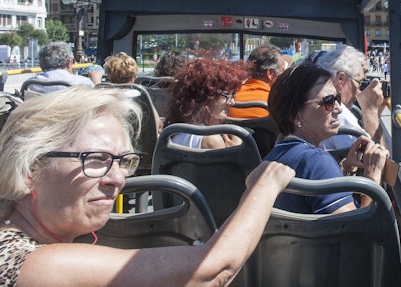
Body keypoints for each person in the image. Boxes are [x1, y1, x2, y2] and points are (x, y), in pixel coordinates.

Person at [0, 86, 294, 286]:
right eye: (97, 159)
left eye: (122, 161)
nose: (117, 178)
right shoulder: (36, 265)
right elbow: (211, 270)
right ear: (30, 169)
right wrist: (265, 184)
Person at [264, 62, 389, 214]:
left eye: (338, 98)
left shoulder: (275, 156)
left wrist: (346, 169)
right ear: (296, 115)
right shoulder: (316, 161)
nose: (338, 108)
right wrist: (372, 180)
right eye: (328, 102)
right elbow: (358, 234)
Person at [315, 45, 387, 150]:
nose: (359, 90)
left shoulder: (316, 104)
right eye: (359, 82)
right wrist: (370, 111)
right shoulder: (337, 115)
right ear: (340, 79)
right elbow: (377, 160)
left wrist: (377, 111)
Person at [167, 57, 248, 149]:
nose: (232, 102)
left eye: (232, 95)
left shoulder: (174, 132)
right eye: (226, 95)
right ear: (205, 98)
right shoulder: (211, 140)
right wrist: (236, 150)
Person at [103, 52, 163, 133]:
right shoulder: (140, 95)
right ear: (134, 77)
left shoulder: (104, 96)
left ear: (110, 76)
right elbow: (157, 124)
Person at [228, 44, 286, 119]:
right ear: (270, 74)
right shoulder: (278, 104)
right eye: (282, 73)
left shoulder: (227, 101)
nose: (284, 78)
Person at [27, 41, 102, 93]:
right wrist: (97, 84)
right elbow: (100, 105)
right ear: (68, 62)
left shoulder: (31, 84)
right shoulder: (82, 83)